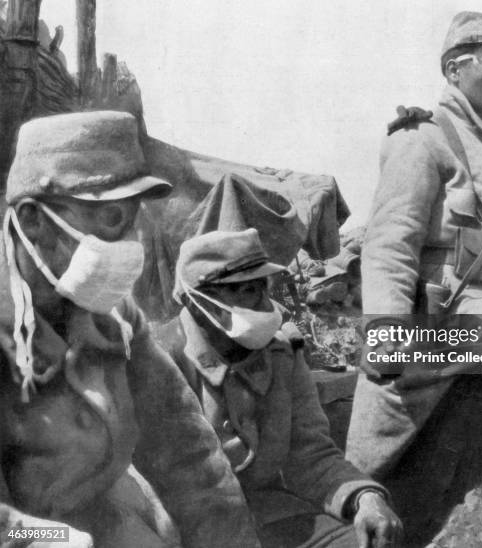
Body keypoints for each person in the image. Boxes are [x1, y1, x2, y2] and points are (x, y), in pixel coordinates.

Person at [0, 111, 260, 548]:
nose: (132, 241)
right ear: (32, 221)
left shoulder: (115, 317)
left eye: (135, 217)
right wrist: (48, 539)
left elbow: (186, 450)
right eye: (111, 217)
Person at [345, 11, 482, 546]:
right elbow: (389, 246)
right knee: (401, 484)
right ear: (454, 69)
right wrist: (385, 336)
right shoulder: (422, 139)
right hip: (429, 349)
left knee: (464, 486)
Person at [161, 228, 404, 548]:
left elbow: (311, 455)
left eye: (263, 288)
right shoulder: (158, 360)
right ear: (198, 302)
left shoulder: (282, 352)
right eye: (246, 291)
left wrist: (365, 497)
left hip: (271, 514)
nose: (266, 304)